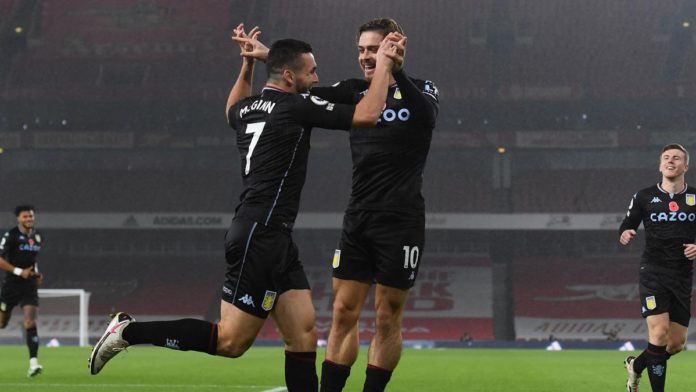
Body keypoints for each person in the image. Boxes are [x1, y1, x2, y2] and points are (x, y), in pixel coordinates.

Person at [88, 24, 403, 392]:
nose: (317, 78)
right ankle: (129, 331)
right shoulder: (296, 108)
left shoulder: (250, 109)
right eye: (311, 71)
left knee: (303, 334)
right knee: (231, 342)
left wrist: (248, 65)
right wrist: (383, 63)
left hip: (272, 235)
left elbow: (231, 109)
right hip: (260, 234)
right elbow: (368, 114)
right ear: (289, 77)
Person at [234, 17, 439, 392]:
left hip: (402, 219)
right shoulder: (353, 91)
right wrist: (269, 59)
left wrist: (399, 72)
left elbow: (426, 119)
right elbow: (296, 89)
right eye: (361, 49)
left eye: (374, 49)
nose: (365, 57)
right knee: (343, 313)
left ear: (395, 47)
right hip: (358, 217)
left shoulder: (423, 90)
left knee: (387, 317)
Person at [619, 143, 696, 392]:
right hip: (653, 272)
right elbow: (628, 223)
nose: (670, 161)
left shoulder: (695, 198)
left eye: (676, 158)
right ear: (660, 165)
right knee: (659, 332)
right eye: (666, 158)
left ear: (686, 166)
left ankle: (636, 365)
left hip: (682, 276)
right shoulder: (643, 196)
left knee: (674, 345)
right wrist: (626, 232)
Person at [0, 205, 45, 377]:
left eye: (31, 216)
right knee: (2, 323)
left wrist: (35, 272)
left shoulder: (38, 236)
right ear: (18, 219)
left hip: (29, 286)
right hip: (11, 285)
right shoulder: (10, 235)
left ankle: (34, 364)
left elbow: (32, 260)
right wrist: (20, 272)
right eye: (25, 217)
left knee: (30, 323)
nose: (29, 219)